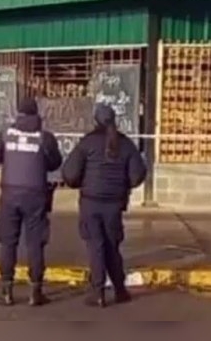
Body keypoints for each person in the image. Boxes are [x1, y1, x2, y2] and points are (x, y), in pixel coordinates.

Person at [61, 104, 147, 308]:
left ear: (96, 120)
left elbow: (70, 173)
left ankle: (98, 291)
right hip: (115, 204)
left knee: (96, 246)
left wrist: (80, 182)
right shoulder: (125, 144)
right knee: (111, 246)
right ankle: (119, 289)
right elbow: (137, 175)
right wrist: (123, 184)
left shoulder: (87, 143)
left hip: (91, 202)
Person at [0, 97, 62, 307]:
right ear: (36, 114)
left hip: (9, 194)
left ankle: (6, 291)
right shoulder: (45, 137)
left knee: (8, 241)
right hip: (36, 195)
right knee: (35, 243)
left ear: (19, 113)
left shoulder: (6, 135)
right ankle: (35, 291)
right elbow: (55, 163)